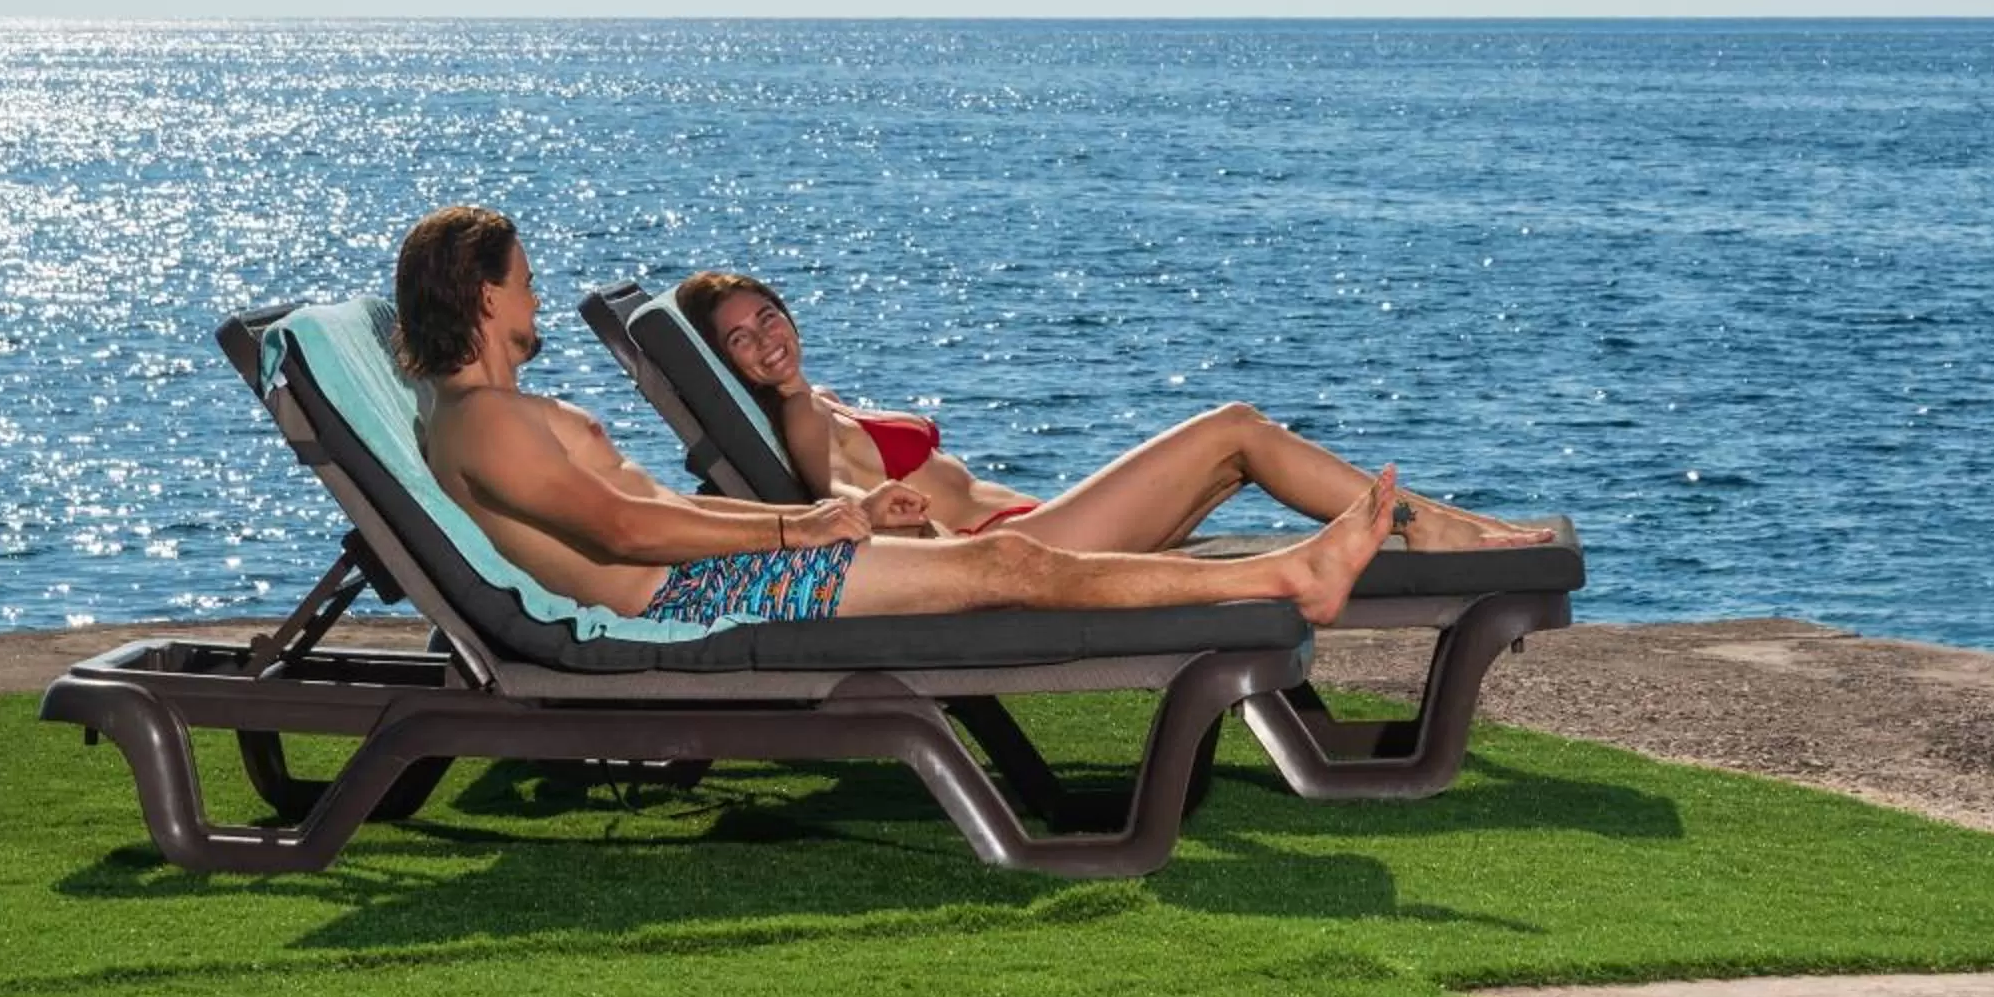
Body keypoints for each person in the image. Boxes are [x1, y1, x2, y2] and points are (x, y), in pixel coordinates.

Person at [394, 205, 1397, 630]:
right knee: (1011, 568)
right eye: (523, 283)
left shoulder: (495, 414)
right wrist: (798, 524)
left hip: (717, 571)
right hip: (689, 603)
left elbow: (642, 508)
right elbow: (619, 528)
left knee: (1014, 565)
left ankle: (1286, 576)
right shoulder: (485, 423)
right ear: (483, 298)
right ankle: (1289, 579)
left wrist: (838, 517)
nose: (536, 296)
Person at [673, 268, 1555, 556]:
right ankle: (1426, 526)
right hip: (1011, 553)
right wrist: (880, 519)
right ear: (727, 364)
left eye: (767, 318)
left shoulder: (813, 396)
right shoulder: (797, 418)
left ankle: (1442, 522)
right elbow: (837, 493)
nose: (766, 341)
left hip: (1024, 528)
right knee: (1235, 430)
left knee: (1235, 448)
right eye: (740, 342)